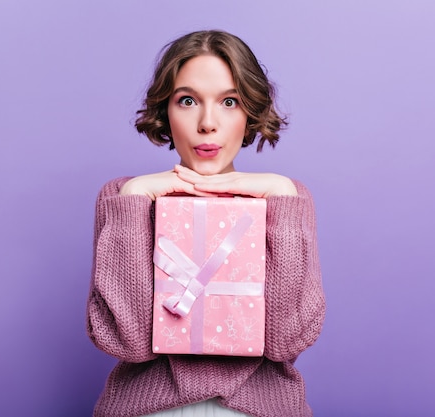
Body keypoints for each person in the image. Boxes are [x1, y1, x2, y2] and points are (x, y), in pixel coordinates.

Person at [87, 30, 325, 417]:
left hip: (260, 410)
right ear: (165, 109)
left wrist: (282, 199)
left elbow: (287, 340)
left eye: (229, 101)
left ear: (250, 111)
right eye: (187, 101)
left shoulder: (285, 199)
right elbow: (125, 341)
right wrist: (133, 200)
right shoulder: (124, 197)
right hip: (146, 410)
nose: (207, 123)